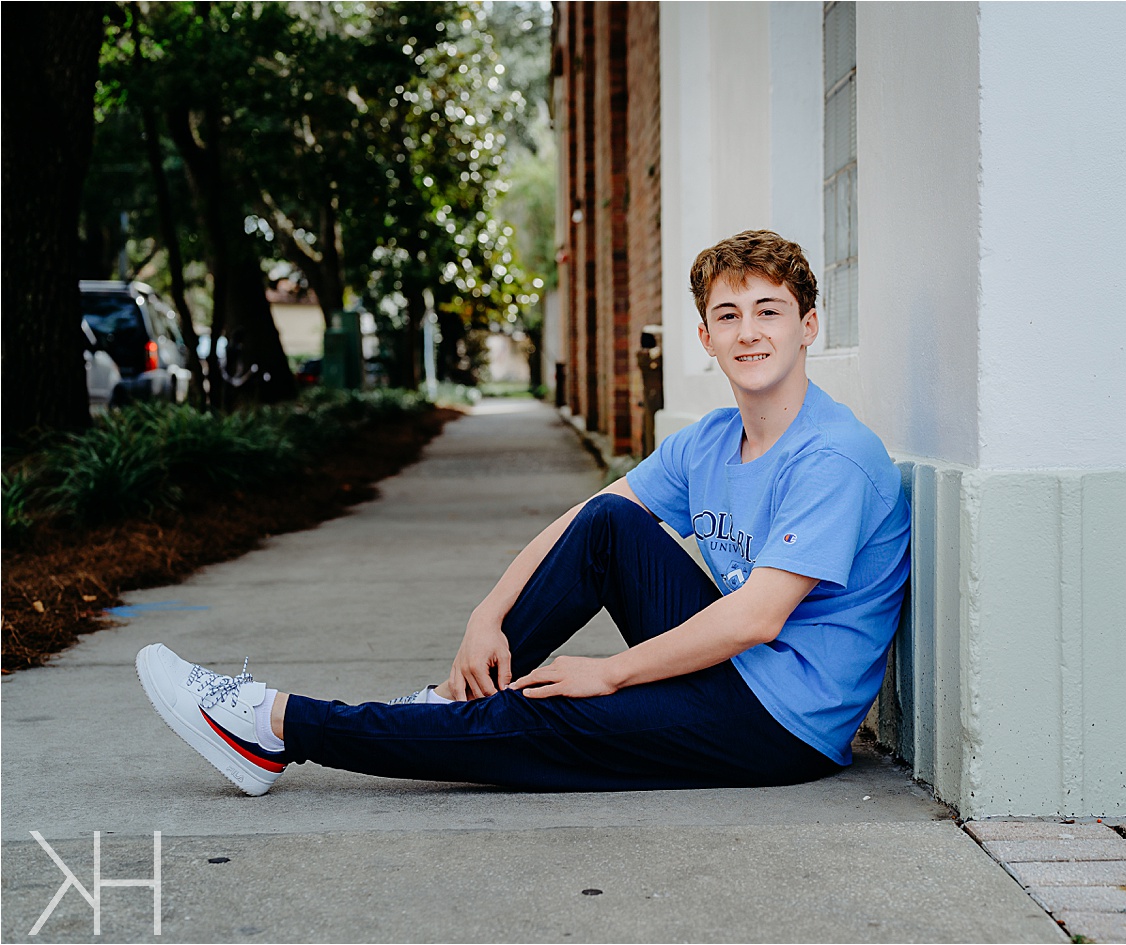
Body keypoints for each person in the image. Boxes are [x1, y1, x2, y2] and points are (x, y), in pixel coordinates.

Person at [136, 230, 910, 797]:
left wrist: (607, 674)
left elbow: (756, 619)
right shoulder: (710, 440)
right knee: (609, 526)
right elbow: (584, 522)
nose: (751, 332)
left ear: (807, 326)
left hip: (779, 722)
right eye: (729, 315)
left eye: (769, 311)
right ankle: (450, 702)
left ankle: (275, 725)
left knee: (544, 718)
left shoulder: (833, 455)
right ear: (705, 337)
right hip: (734, 670)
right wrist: (488, 611)